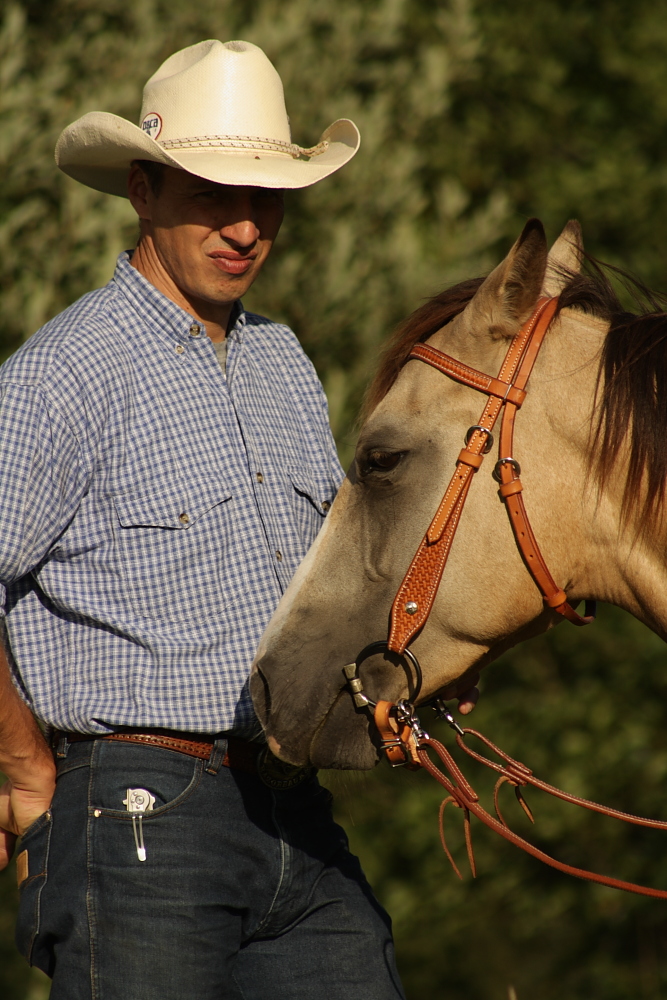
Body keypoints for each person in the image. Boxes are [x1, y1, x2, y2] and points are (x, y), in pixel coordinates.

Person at [0, 38, 478, 999]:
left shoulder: (283, 362)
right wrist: (23, 771)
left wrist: (412, 667)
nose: (245, 226)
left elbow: (321, 579)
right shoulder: (62, 376)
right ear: (142, 191)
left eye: (266, 199)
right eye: (213, 194)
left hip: (293, 809)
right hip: (135, 813)